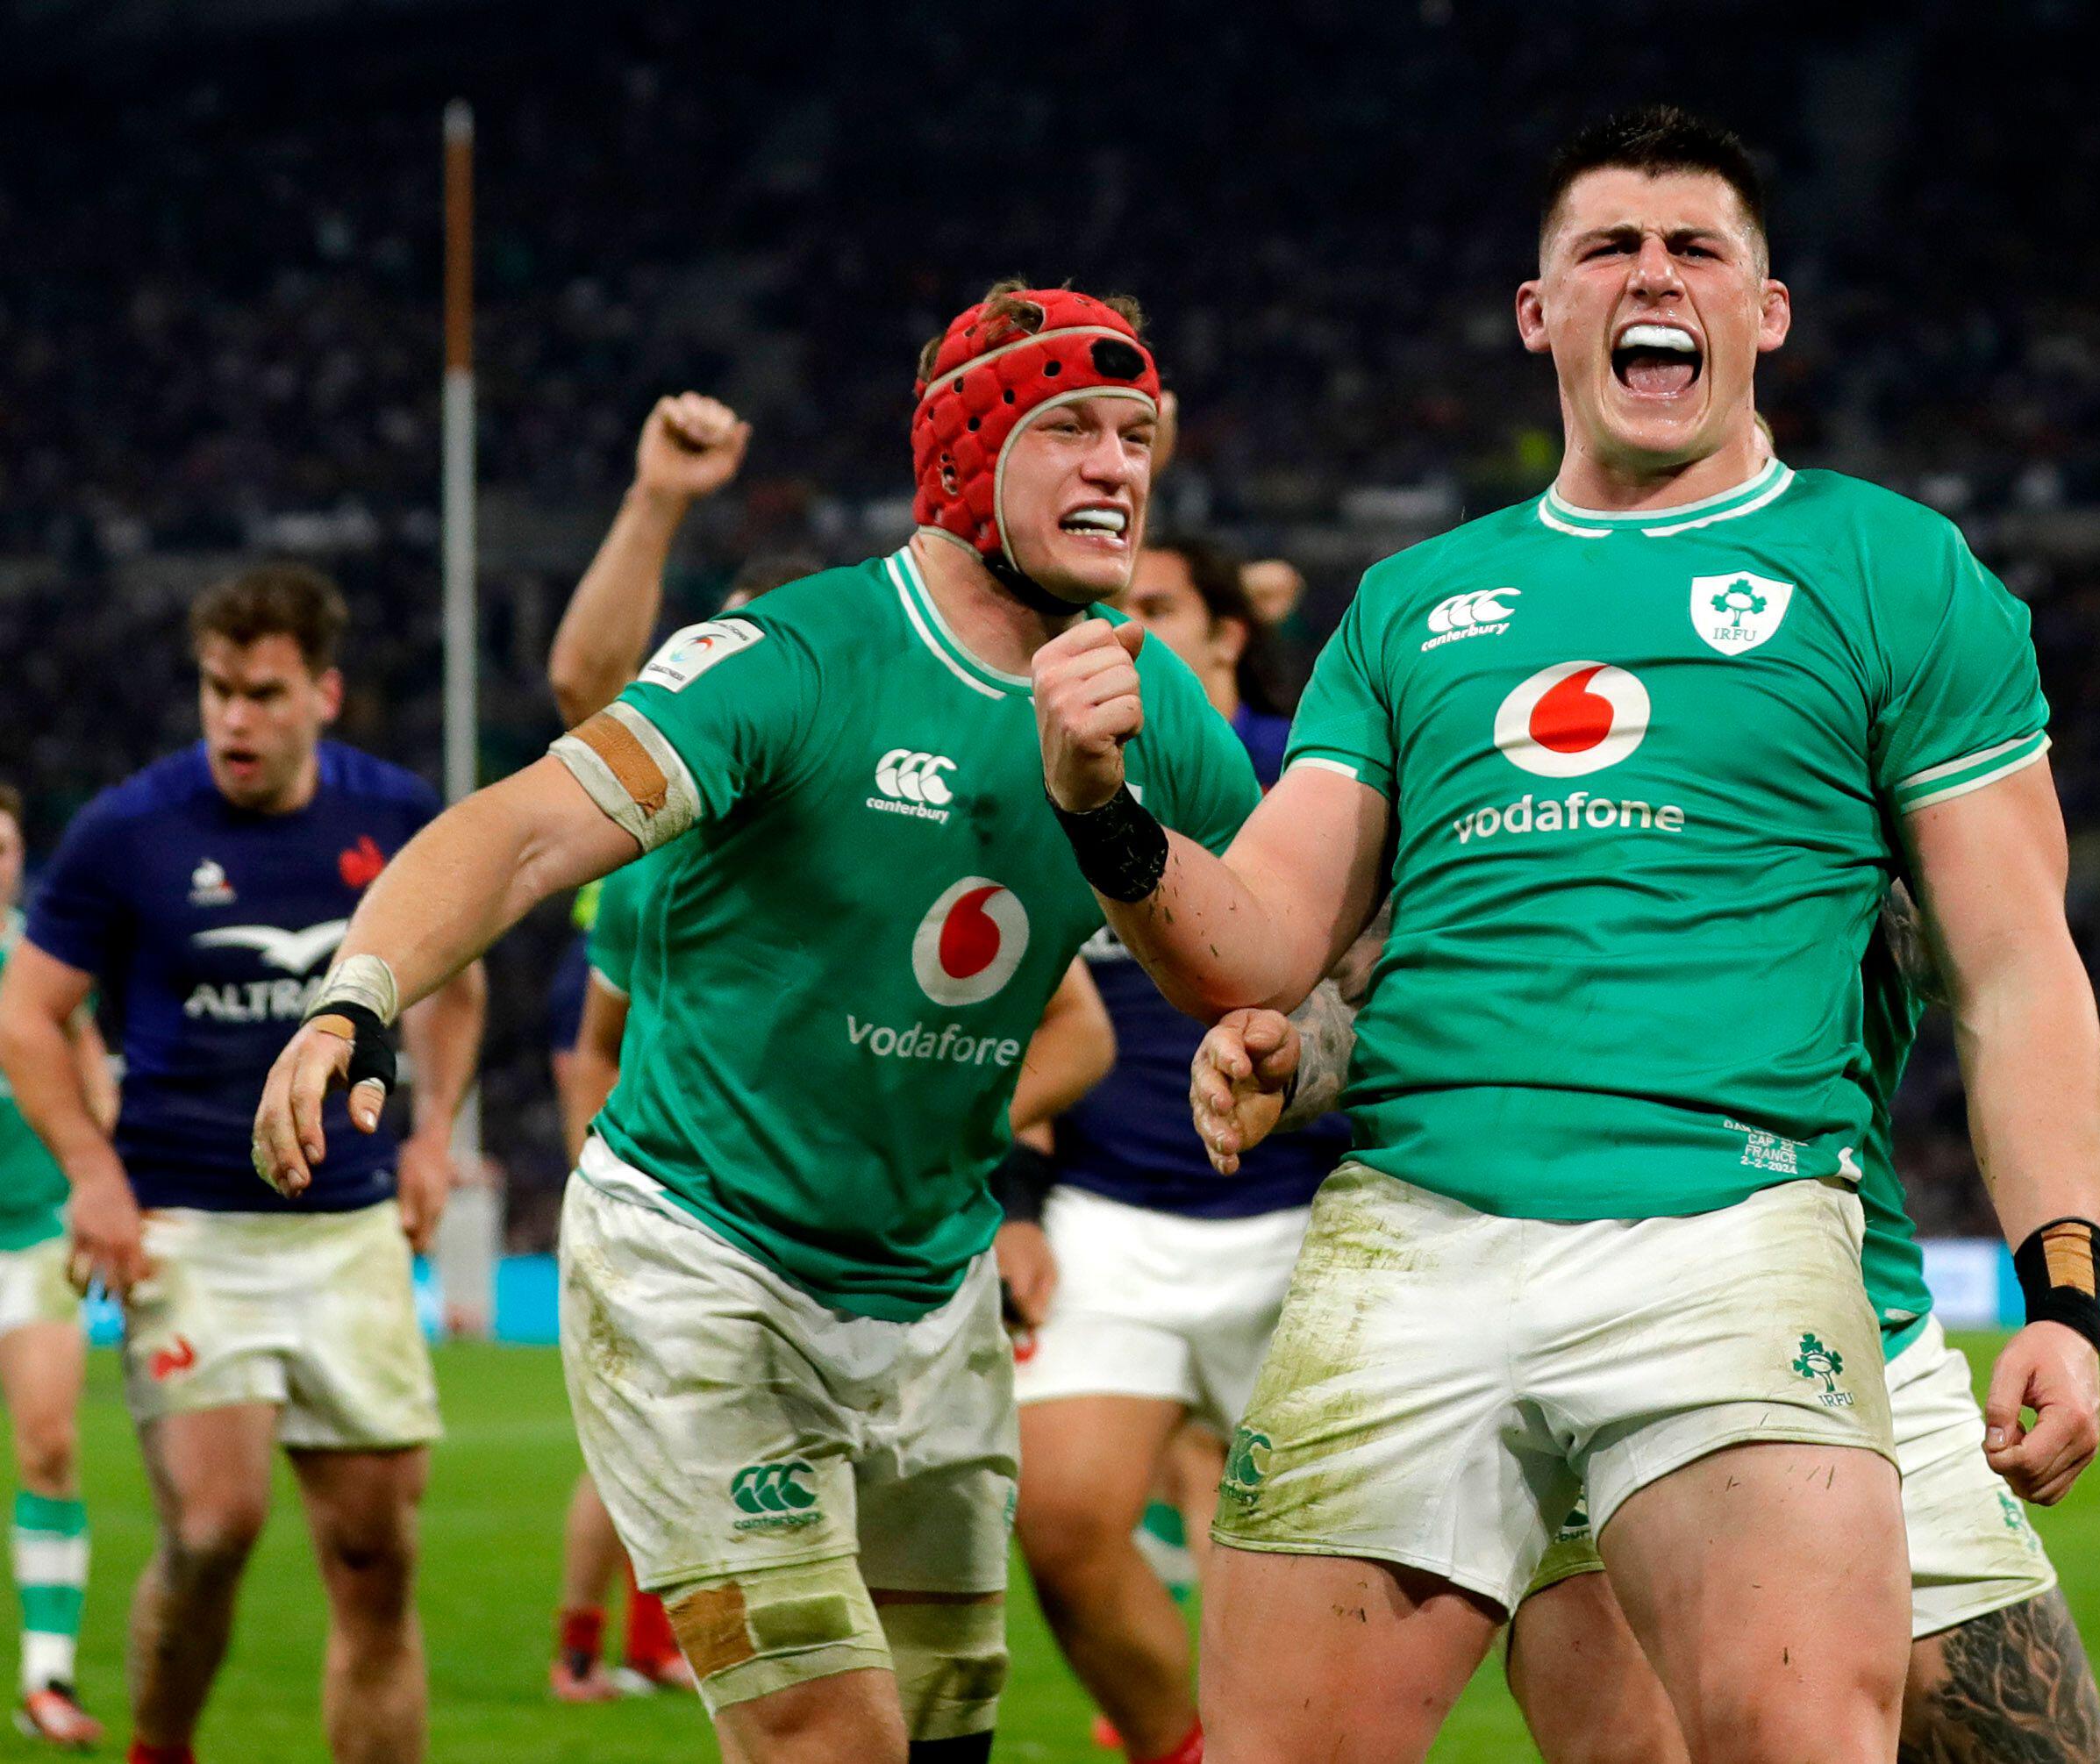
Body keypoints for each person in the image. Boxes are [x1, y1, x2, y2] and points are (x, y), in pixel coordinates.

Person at [1029, 105, 2100, 1762]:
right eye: (1607, 246)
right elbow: (1260, 946)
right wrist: (1102, 804)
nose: (1651, 275)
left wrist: (2064, 1286)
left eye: (1697, 249)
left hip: (1746, 1231)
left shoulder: (1891, 570)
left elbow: (2012, 959)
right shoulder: (1411, 604)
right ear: (1538, 311)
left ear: (1766, 313)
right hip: (1420, 1239)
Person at [250, 283, 1261, 1763]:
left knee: (932, 1739)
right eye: (1073, 431)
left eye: (1139, 434)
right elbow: (527, 829)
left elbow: (1282, 936)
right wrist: (355, 996)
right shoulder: (799, 658)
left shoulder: (1143, 701)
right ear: (968, 455)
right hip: (705, 1266)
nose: (1120, 466)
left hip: (928, 1291)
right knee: (824, 1736)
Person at [1194, 883, 2100, 1761]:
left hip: (1853, 1320)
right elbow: (1377, 995)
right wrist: (1295, 1057)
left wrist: (2064, 1300)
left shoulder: (1855, 726)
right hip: (1580, 1315)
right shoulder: (1489, 733)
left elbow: (1995, 952)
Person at [0, 565, 485, 1764]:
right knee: (214, 1526)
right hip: (191, 1226)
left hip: (351, 1227)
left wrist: (433, 1131)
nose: (234, 718)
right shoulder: (131, 827)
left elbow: (457, 984)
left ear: (322, 692)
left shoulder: (396, 813)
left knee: (377, 1557)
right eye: (217, 689)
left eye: (263, 693)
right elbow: (24, 1014)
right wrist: (94, 1176)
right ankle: (161, 1743)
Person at [1009, 538, 1355, 1764]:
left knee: (1326, 1572)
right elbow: (1013, 1001)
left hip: (1302, 1218)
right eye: (1104, 614)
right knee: (1060, 1527)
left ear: (1223, 637)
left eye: (1156, 611)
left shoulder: (1308, 776)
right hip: (1107, 1217)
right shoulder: (1051, 780)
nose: (1124, 634)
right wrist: (1015, 1201)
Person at [536, 389, 750, 1703]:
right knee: (632, 1453)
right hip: (687, 1191)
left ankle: (662, 1645)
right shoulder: (662, 861)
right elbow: (584, 691)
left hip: (845, 1212)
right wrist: (590, 1172)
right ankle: (585, 1648)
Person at [0, 786, 115, 1750]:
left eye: (3, 847)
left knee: (47, 1444)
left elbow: (94, 1070)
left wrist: (107, 1178)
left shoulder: (40, 961)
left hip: (37, 1234)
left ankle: (47, 1675)